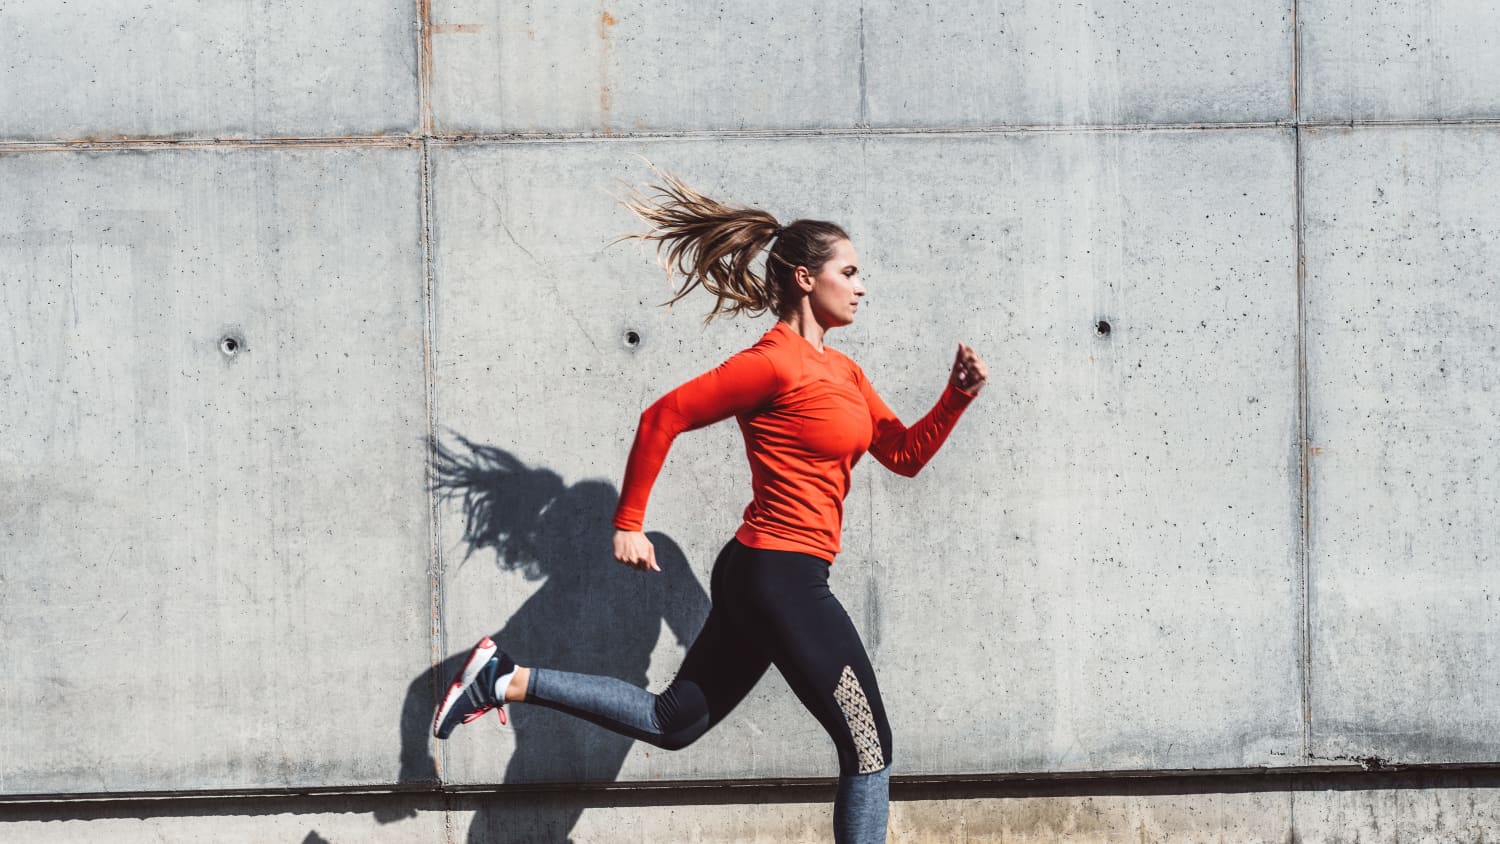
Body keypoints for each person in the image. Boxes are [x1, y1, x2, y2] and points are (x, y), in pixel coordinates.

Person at [432, 173, 988, 843]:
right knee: (868, 748)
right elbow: (661, 417)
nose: (863, 286)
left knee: (673, 722)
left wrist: (955, 398)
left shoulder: (845, 373)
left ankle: (503, 679)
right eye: (851, 271)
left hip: (771, 577)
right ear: (808, 279)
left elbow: (902, 453)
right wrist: (629, 523)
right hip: (778, 576)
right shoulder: (773, 364)